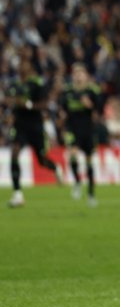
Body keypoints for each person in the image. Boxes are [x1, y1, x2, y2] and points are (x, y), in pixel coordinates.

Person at [6, 59, 63, 208]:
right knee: (14, 153)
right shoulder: (15, 85)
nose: (20, 66)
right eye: (19, 64)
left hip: (36, 126)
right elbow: (10, 101)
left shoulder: (37, 83)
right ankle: (17, 194)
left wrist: (28, 105)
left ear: (29, 67)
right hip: (20, 126)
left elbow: (45, 104)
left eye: (23, 64)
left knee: (41, 160)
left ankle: (55, 168)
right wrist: (11, 108)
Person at [58, 62, 103, 207]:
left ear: (86, 76)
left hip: (88, 129)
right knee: (72, 154)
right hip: (73, 129)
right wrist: (61, 119)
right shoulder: (67, 92)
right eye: (75, 73)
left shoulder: (93, 91)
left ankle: (91, 194)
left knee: (89, 162)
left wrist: (89, 105)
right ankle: (77, 182)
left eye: (81, 73)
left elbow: (98, 112)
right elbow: (62, 110)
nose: (78, 76)